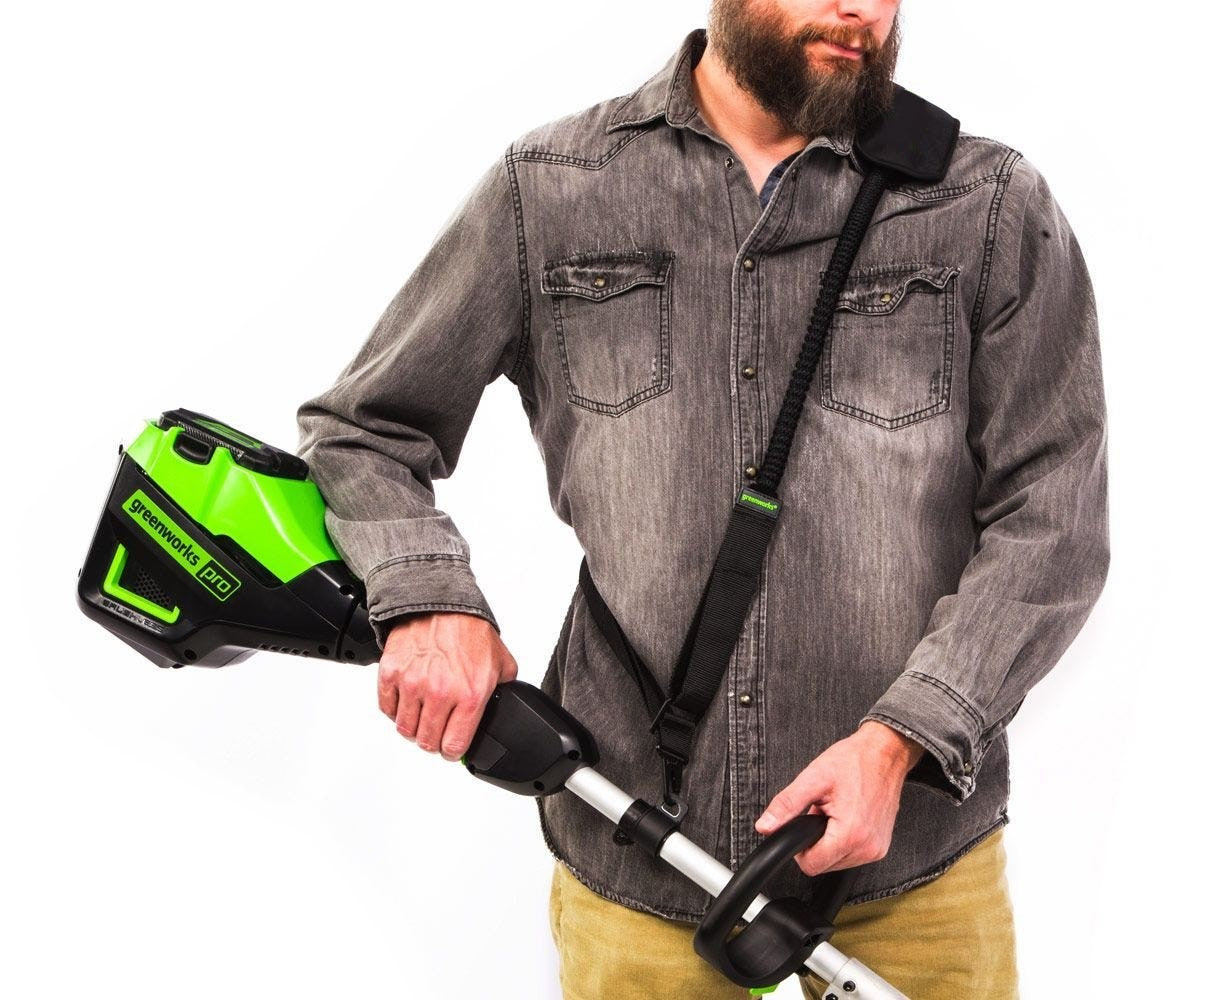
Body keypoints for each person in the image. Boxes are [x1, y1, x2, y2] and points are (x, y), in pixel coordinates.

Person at [296, 1, 1110, 996]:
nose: (862, 8)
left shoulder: (984, 202)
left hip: (915, 861)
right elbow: (365, 428)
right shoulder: (551, 188)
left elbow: (1054, 519)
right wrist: (429, 599)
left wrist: (900, 741)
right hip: (634, 843)